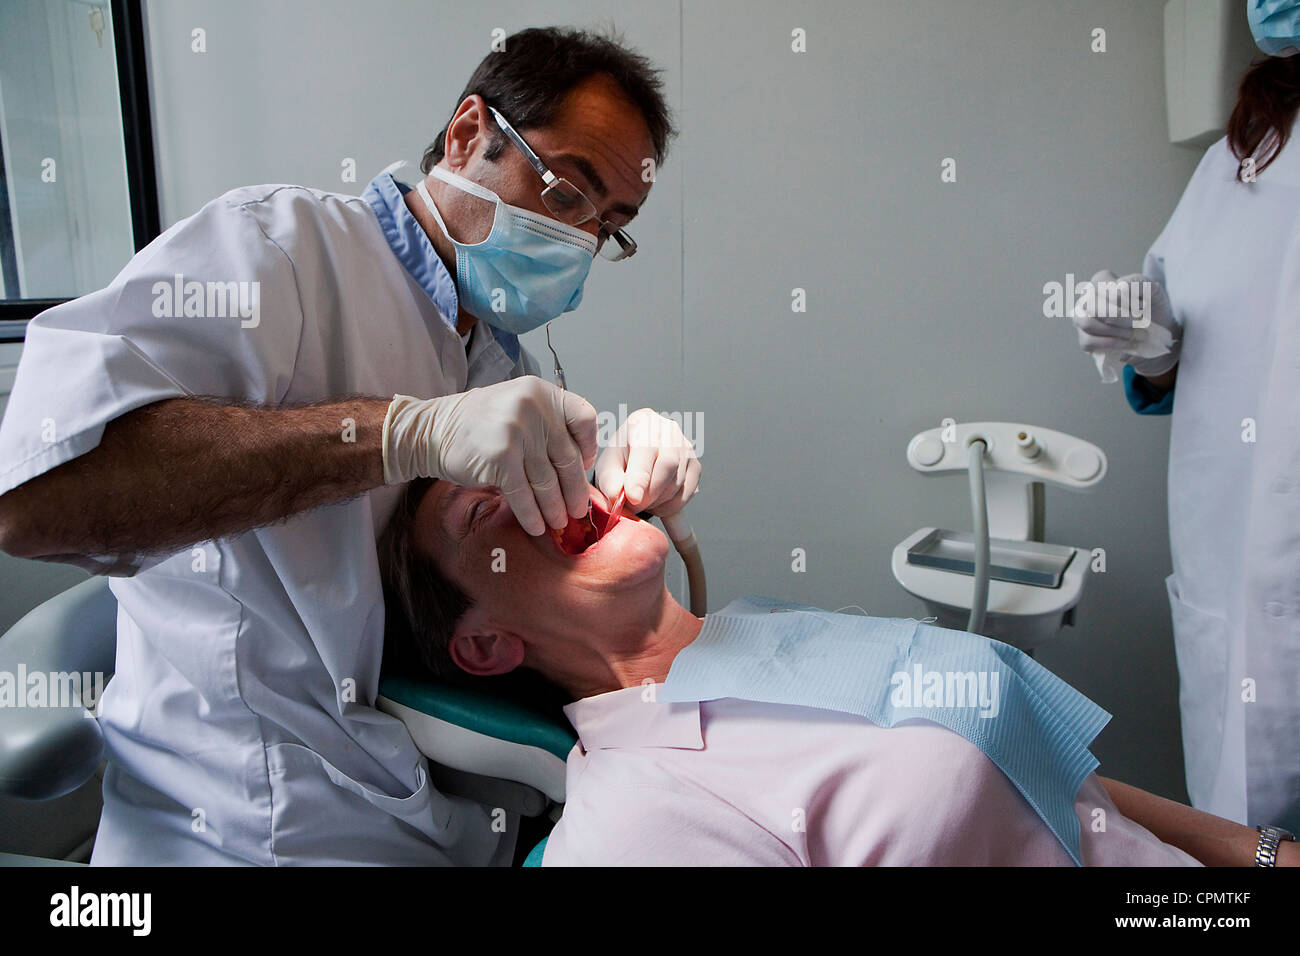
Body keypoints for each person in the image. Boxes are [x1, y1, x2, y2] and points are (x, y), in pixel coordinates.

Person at [0, 27, 699, 865]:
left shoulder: (491, 350)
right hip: (248, 823)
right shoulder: (277, 251)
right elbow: (38, 496)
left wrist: (610, 486)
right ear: (468, 135)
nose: (581, 242)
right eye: (565, 197)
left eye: (610, 226)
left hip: (433, 802)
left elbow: (483, 587)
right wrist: (395, 434)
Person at [379, 477, 1297, 866]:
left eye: (541, 472)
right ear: (487, 647)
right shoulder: (634, 819)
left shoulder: (763, 628)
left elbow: (1046, 775)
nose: (545, 499)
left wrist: (1259, 855)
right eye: (489, 513)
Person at [1070, 1, 1300, 836]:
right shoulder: (1240, 160)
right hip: (1234, 585)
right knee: (1245, 854)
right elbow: (1183, 364)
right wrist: (1149, 342)